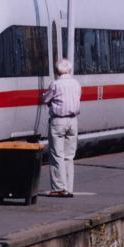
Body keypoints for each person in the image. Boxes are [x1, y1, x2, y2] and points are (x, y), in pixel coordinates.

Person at [41, 58, 81, 198]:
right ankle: (69, 188)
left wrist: (45, 98)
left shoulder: (55, 85)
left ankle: (59, 188)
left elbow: (45, 99)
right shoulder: (76, 84)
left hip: (58, 121)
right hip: (73, 121)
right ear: (69, 70)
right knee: (69, 156)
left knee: (57, 154)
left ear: (56, 71)